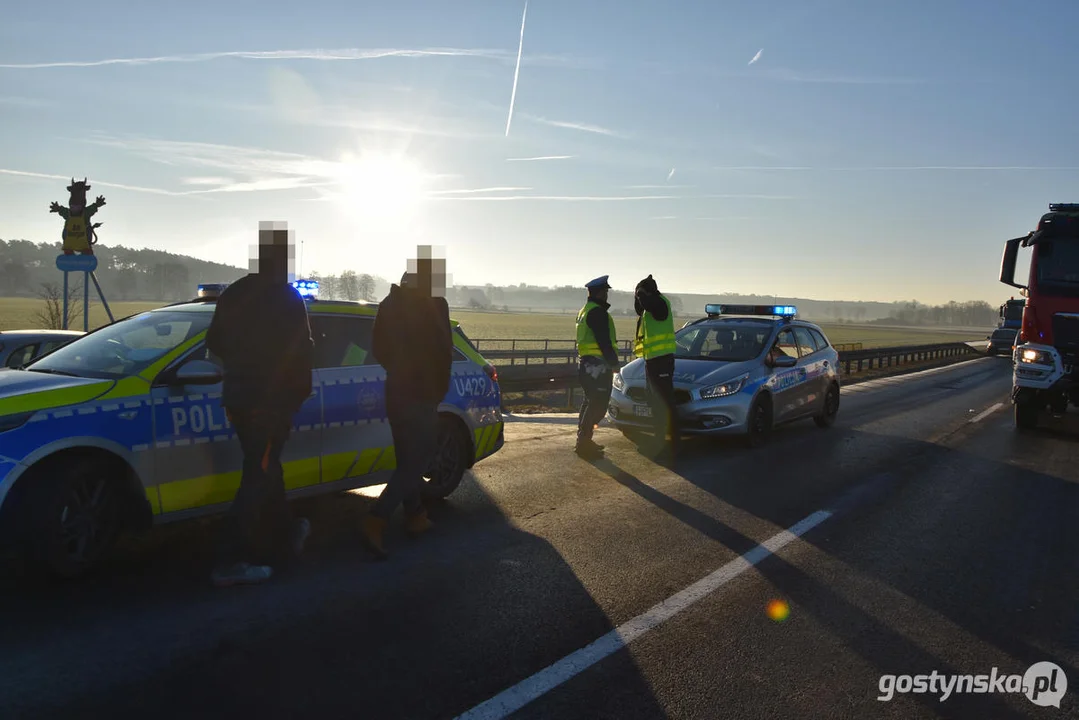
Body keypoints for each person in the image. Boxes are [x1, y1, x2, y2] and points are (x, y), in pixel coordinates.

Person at [205, 222, 315, 587]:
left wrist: (240, 366)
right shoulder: (286, 296)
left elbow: (215, 343)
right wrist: (296, 392)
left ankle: (286, 535)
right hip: (269, 403)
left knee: (266, 468)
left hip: (238, 398)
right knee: (257, 475)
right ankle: (230, 559)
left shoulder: (234, 293)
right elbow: (302, 352)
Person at [360, 255, 453, 559]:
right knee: (418, 459)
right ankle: (377, 518)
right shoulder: (434, 304)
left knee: (406, 458)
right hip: (422, 393)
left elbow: (378, 348)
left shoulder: (388, 304)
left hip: (396, 390)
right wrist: (436, 388)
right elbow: (444, 350)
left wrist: (398, 372)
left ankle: (415, 516)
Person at [634, 274, 679, 465]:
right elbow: (640, 309)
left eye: (642, 294)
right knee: (656, 403)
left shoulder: (660, 303)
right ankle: (660, 441)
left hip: (661, 361)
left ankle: (671, 445)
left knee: (664, 403)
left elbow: (652, 309)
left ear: (649, 292)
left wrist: (642, 294)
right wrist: (639, 295)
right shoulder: (650, 306)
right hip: (652, 361)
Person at [575, 275, 619, 459]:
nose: (607, 295)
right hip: (598, 365)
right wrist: (614, 363)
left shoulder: (585, 310)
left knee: (589, 402)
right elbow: (604, 341)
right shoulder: (598, 312)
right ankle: (584, 443)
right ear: (600, 293)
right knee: (598, 405)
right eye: (606, 291)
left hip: (586, 364)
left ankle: (584, 440)